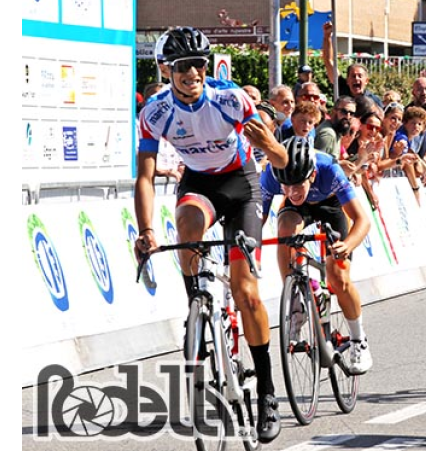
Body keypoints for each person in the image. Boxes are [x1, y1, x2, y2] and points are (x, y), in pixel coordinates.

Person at [134, 27, 288, 442]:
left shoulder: (230, 99)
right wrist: (146, 230)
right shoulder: (154, 112)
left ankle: (267, 391)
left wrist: (269, 144)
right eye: (182, 66)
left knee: (246, 290)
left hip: (242, 186)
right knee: (186, 226)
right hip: (199, 184)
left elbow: (280, 159)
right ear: (166, 70)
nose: (192, 73)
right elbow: (145, 178)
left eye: (199, 65)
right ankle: (197, 304)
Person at [260, 137, 374, 375]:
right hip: (297, 211)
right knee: (285, 230)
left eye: (297, 185)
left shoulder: (329, 169)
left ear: (311, 175)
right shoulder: (271, 173)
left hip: (331, 205)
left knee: (338, 277)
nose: (291, 191)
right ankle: (295, 299)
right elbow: (256, 219)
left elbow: (362, 220)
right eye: (285, 186)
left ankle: (359, 339)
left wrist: (347, 245)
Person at [321, 21, 383, 108]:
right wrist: (327, 36)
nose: (356, 79)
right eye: (353, 76)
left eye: (360, 76)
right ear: (347, 80)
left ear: (366, 81)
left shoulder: (374, 101)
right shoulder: (342, 89)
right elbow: (328, 61)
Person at [314, 96, 356, 161]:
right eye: (344, 111)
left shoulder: (336, 130)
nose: (348, 116)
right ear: (334, 111)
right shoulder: (328, 134)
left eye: (352, 113)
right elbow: (319, 164)